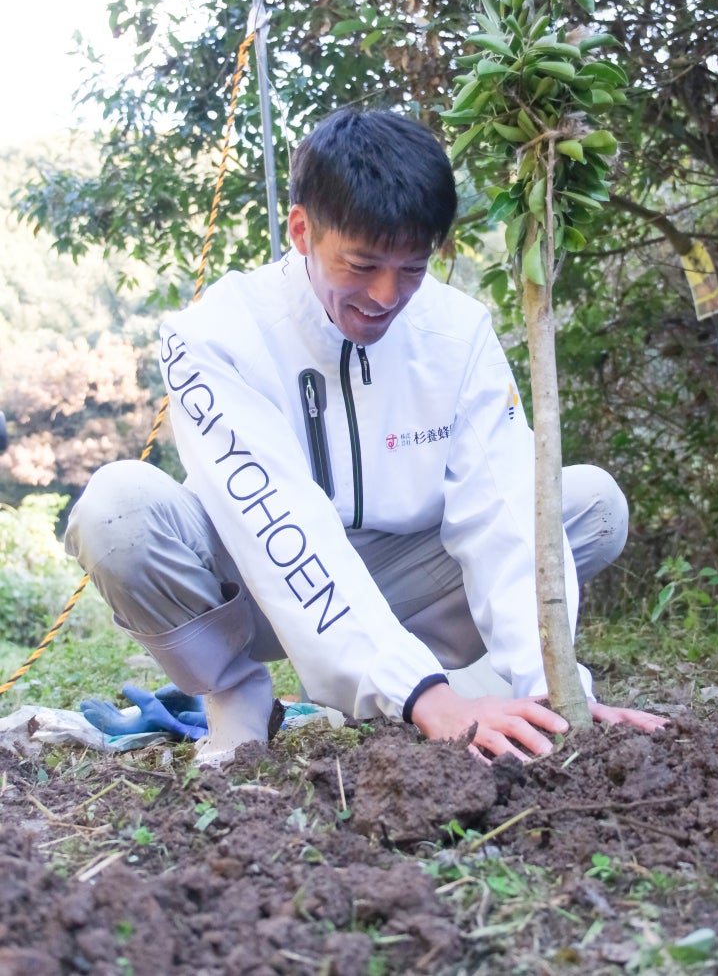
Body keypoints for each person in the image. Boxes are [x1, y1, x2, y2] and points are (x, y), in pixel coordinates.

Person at [67, 109, 665, 765]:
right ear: (302, 230)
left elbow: (502, 511)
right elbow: (279, 523)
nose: (385, 295)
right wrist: (424, 698)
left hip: (404, 579)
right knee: (116, 509)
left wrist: (553, 689)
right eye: (361, 264)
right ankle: (239, 699)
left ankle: (453, 686)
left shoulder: (457, 332)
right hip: (252, 586)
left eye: (413, 268)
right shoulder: (217, 335)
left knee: (589, 504)